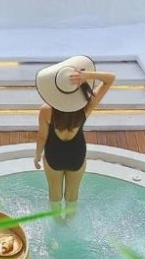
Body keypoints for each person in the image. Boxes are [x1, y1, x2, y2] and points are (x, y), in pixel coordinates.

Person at [33, 56, 116, 216]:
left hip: (53, 154)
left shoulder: (46, 110)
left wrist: (37, 155)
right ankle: (70, 221)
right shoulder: (86, 105)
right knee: (72, 195)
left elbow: (42, 137)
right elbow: (110, 78)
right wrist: (86, 75)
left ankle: (58, 222)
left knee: (54, 194)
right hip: (76, 154)